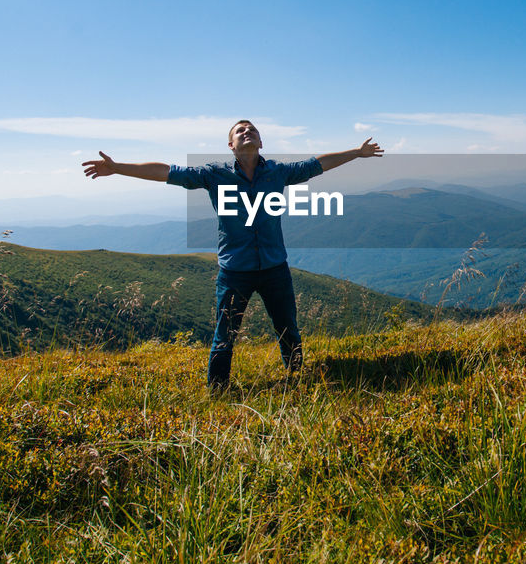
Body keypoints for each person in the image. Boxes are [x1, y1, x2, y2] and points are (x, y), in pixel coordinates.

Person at [82, 121, 383, 389]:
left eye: (252, 130)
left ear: (261, 142)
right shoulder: (214, 174)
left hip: (274, 267)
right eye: (240, 131)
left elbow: (317, 164)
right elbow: (167, 172)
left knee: (287, 327)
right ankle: (218, 391)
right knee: (225, 334)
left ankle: (298, 378)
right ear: (231, 145)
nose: (247, 132)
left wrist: (356, 152)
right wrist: (118, 167)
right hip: (235, 271)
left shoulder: (278, 172)